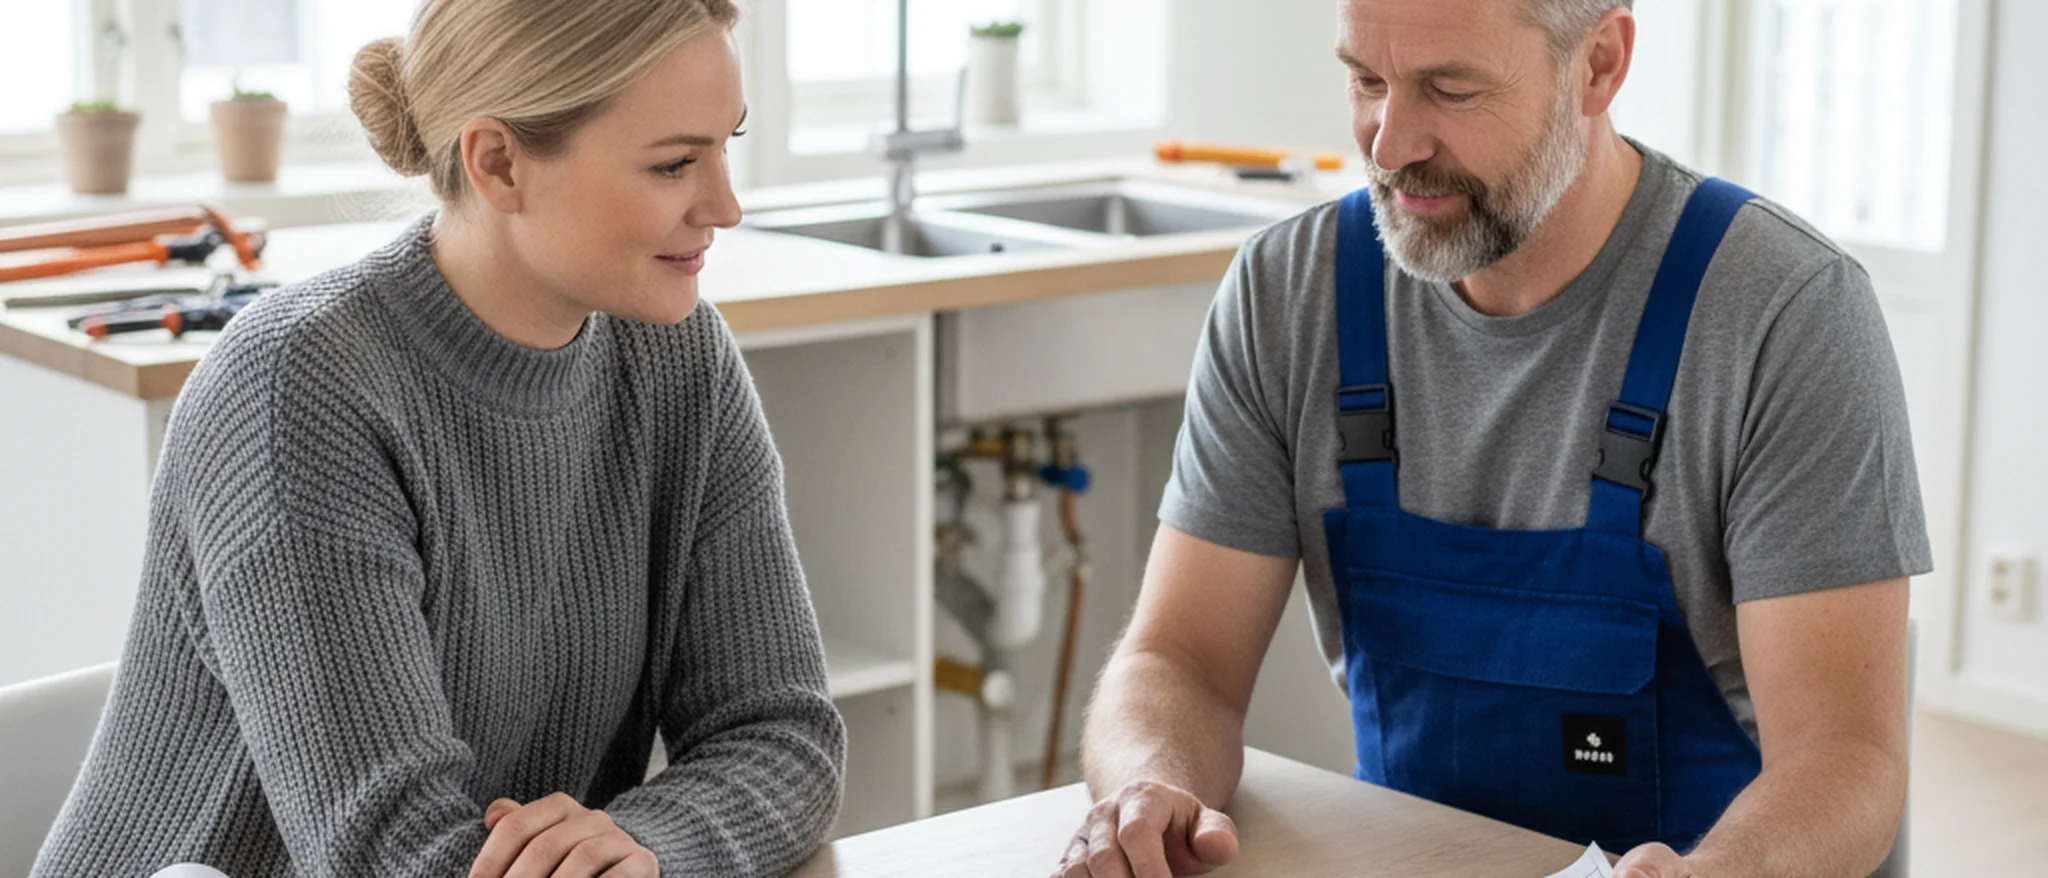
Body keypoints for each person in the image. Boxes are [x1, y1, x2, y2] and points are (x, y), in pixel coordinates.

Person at [1059, 1, 1928, 877]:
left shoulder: (1785, 313)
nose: (1390, 144)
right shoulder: (1288, 292)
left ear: (1598, 65)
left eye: (1450, 88)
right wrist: (1148, 783)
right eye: (1366, 80)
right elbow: (1183, 660)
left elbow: (1844, 758)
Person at [32, 1, 846, 875]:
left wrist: (648, 845)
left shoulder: (678, 357)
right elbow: (391, 853)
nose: (724, 205)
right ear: (498, 163)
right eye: (676, 163)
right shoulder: (297, 387)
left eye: (729, 143)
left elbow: (783, 732)